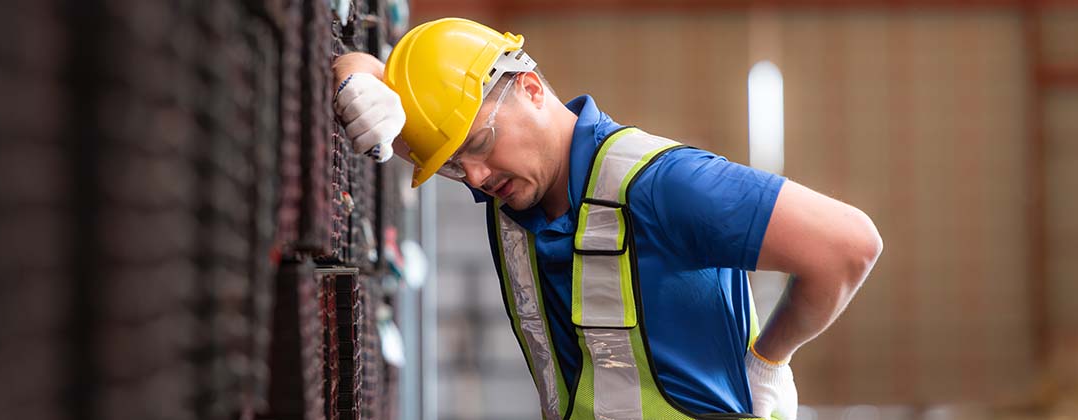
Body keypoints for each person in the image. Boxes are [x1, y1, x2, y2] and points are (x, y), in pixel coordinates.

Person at [332, 17, 882, 420]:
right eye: (452, 166)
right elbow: (396, 97)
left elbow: (848, 246)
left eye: (478, 144)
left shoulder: (664, 185)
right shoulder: (515, 188)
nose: (474, 178)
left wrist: (769, 361)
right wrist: (354, 74)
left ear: (529, 87)